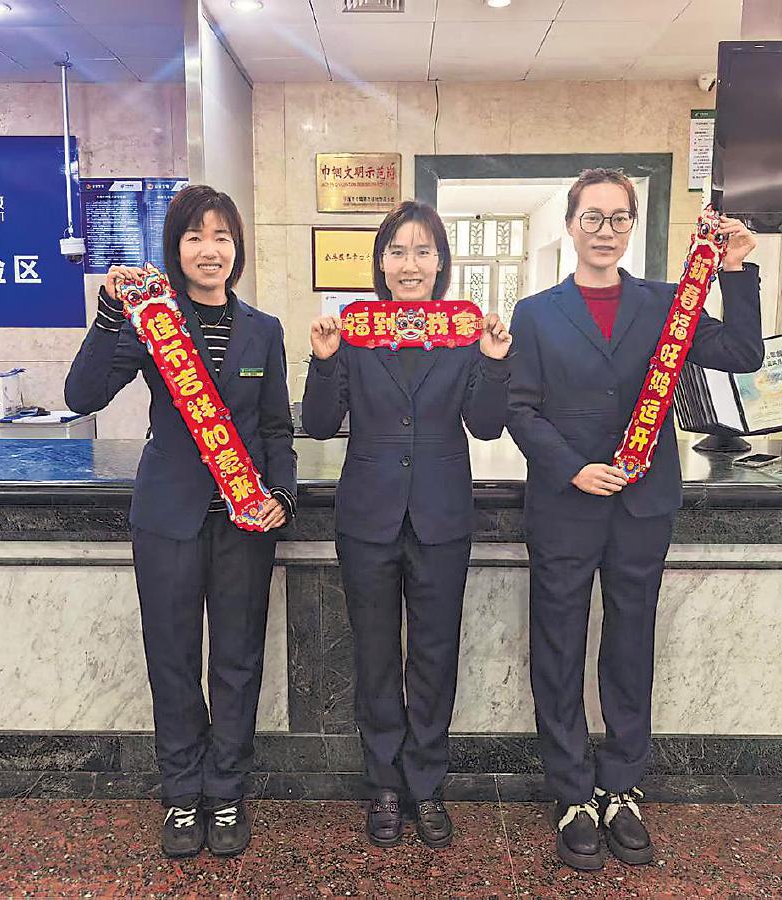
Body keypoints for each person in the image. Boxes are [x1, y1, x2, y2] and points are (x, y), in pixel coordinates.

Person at [507, 169, 762, 871]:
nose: (605, 231)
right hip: (566, 505)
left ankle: (620, 786)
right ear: (570, 225)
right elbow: (519, 409)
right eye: (592, 218)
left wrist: (737, 271)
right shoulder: (536, 313)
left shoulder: (666, 304)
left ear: (632, 227)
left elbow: (743, 355)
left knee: (630, 645)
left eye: (619, 218)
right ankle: (571, 794)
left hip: (643, 506)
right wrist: (572, 467)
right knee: (558, 648)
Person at [64, 185, 297, 860]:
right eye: (195, 237)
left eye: (222, 236)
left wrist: (282, 493)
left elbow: (276, 428)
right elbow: (82, 395)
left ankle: (226, 791)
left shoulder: (263, 330)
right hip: (168, 518)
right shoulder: (153, 322)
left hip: (244, 523)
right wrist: (111, 313)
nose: (209, 250)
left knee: (237, 662)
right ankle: (182, 793)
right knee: (172, 660)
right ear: (176, 247)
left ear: (237, 248)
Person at [301, 200, 512, 849]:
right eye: (398, 251)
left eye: (423, 251)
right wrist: (324, 359)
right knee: (373, 656)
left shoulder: (465, 335)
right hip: (368, 516)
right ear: (381, 263)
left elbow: (486, 426)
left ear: (441, 263)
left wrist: (494, 361)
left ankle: (427, 783)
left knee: (434, 655)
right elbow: (318, 425)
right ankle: (384, 785)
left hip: (441, 516)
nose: (410, 264)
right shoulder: (354, 333)